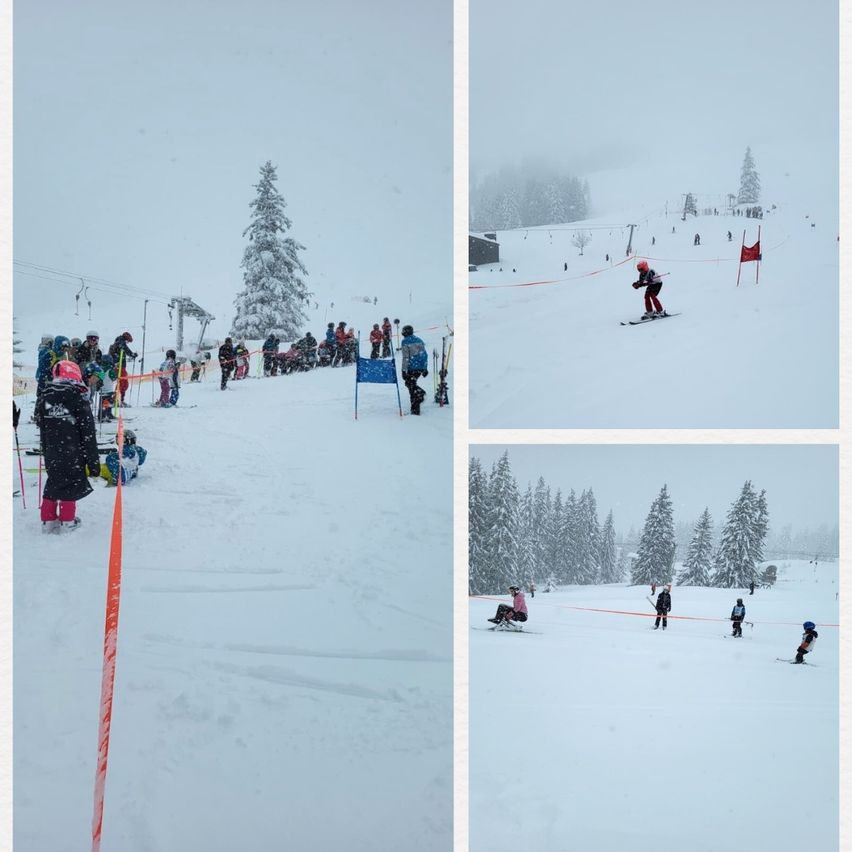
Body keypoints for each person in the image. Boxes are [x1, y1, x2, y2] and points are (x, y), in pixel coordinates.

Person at [35, 360, 100, 532]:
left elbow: (42, 428)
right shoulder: (77, 397)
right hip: (73, 451)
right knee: (70, 485)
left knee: (54, 481)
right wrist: (93, 463)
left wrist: (46, 450)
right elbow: (88, 434)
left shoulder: (44, 396)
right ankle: (67, 521)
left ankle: (47, 521)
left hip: (52, 451)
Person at [400, 324, 428, 415]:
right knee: (411, 385)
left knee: (410, 385)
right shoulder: (419, 340)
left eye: (403, 331)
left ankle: (420, 394)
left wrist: (403, 370)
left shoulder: (405, 341)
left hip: (412, 367)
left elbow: (406, 357)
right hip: (420, 367)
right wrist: (424, 368)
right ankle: (415, 409)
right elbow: (424, 355)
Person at [108, 332, 137, 404]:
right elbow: (125, 348)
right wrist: (132, 354)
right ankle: (116, 399)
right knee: (122, 383)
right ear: (126, 339)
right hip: (119, 366)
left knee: (123, 383)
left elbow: (124, 348)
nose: (127, 343)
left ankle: (120, 399)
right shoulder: (120, 342)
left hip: (121, 366)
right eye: (128, 341)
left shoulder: (119, 342)